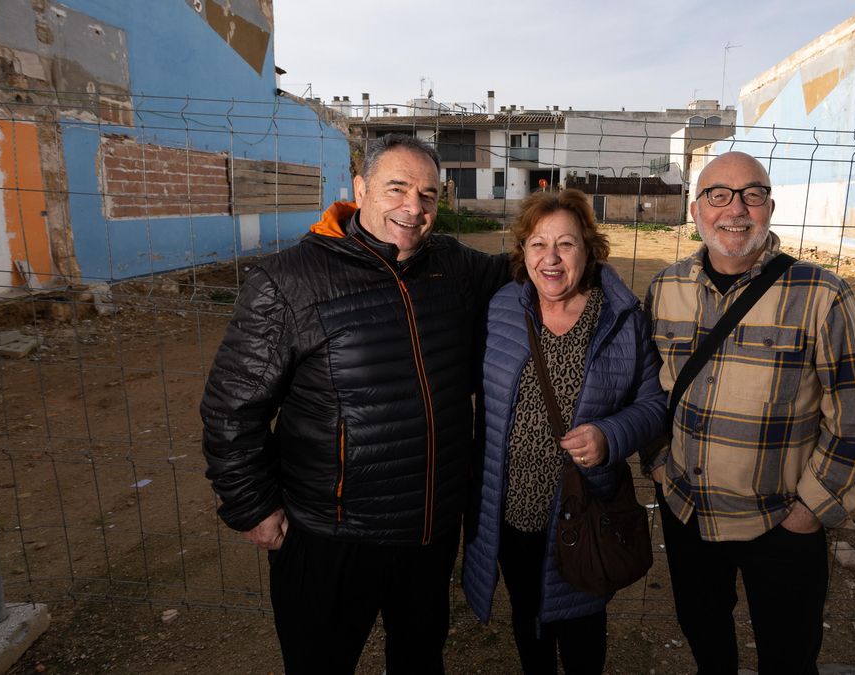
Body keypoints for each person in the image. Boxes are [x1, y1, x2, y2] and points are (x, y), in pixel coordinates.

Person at [200, 133, 507, 674]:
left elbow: (535, 271)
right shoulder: (289, 281)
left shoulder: (453, 267)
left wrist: (576, 251)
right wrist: (251, 506)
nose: (414, 208)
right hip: (330, 535)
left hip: (427, 529)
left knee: (419, 659)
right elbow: (232, 408)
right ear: (359, 188)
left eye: (429, 196)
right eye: (397, 189)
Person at [645, 151, 855, 674]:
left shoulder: (822, 295)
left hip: (780, 522)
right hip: (689, 513)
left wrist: (809, 511)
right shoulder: (666, 290)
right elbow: (651, 392)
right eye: (718, 195)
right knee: (707, 644)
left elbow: (854, 425)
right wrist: (660, 464)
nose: (736, 209)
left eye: (752, 194)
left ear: (769, 206)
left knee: (790, 657)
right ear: (696, 208)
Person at [463, 189, 666, 675]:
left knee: (582, 632)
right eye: (537, 244)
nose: (550, 258)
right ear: (523, 252)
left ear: (589, 250)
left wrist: (610, 435)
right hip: (510, 511)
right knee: (527, 620)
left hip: (584, 509)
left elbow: (654, 404)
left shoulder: (622, 320)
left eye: (566, 245)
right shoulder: (502, 308)